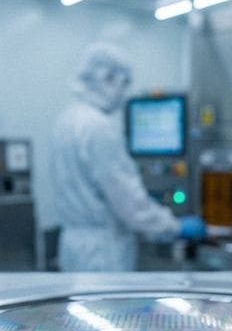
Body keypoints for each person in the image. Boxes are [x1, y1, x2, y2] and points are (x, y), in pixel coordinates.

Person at [51, 43, 205, 272]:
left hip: (73, 248)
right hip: (103, 254)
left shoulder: (65, 121)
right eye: (124, 84)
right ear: (107, 78)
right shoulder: (99, 128)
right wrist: (173, 226)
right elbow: (130, 204)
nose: (125, 94)